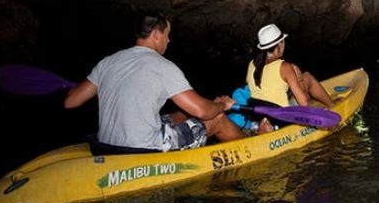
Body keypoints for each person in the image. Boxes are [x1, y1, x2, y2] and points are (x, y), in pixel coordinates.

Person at [64, 12, 244, 151]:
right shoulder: (163, 66)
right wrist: (222, 106)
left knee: (183, 113)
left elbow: (70, 101)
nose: (168, 40)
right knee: (217, 118)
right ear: (157, 34)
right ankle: (252, 148)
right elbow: (203, 111)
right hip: (144, 148)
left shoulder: (108, 61)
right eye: (167, 34)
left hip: (106, 144)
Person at [247, 24, 335, 109]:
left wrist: (296, 79)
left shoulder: (252, 64)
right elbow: (304, 103)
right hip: (283, 117)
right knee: (307, 77)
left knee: (300, 82)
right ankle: (333, 107)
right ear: (280, 44)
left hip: (261, 114)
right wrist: (297, 78)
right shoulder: (284, 67)